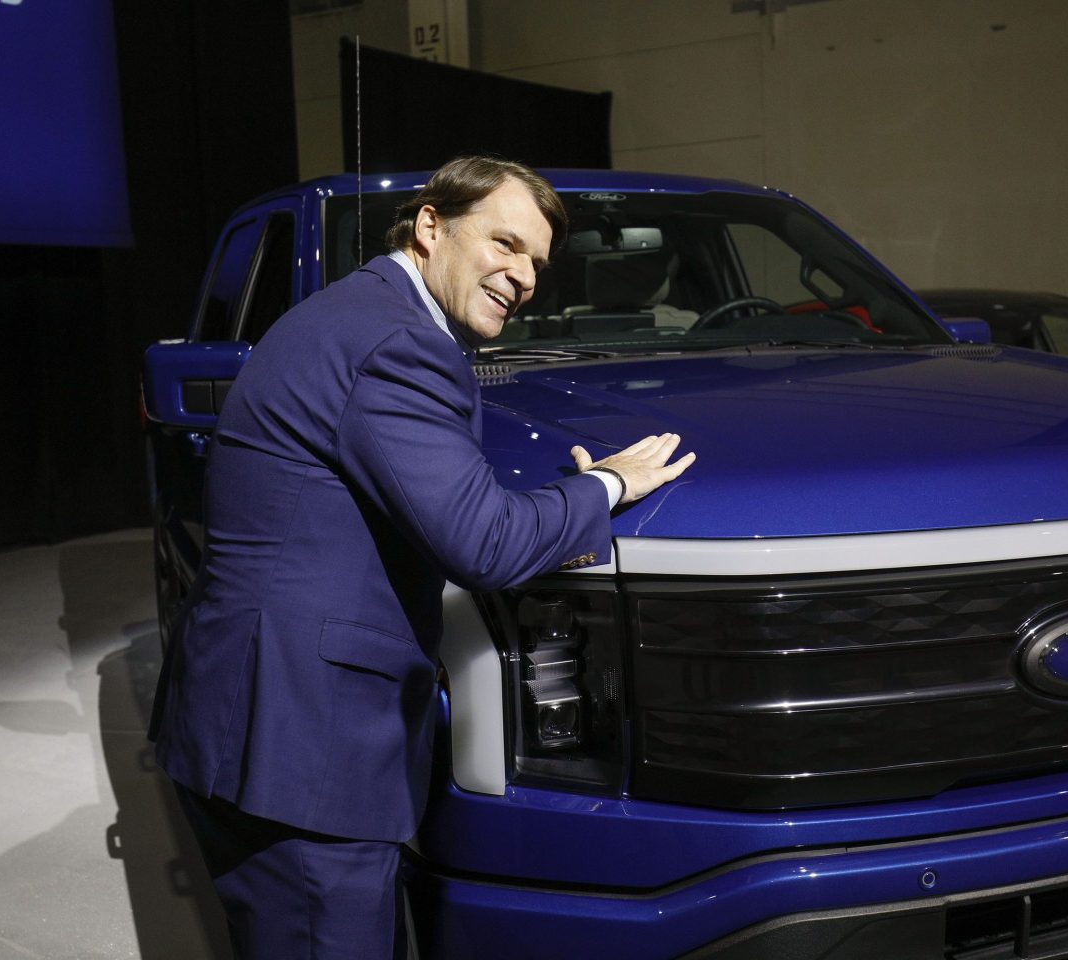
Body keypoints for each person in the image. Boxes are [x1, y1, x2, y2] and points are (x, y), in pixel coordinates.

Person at [149, 155, 695, 958]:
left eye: (538, 263)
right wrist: (607, 486)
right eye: (505, 244)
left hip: (267, 723)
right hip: (303, 755)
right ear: (433, 225)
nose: (523, 276)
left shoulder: (356, 314)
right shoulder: (398, 345)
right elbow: (483, 541)